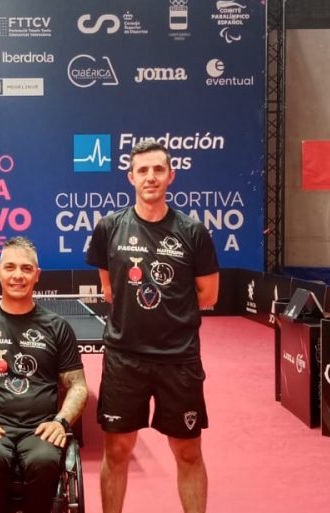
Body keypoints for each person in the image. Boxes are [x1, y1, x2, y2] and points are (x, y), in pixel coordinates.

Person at [86, 140, 220, 513]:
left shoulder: (193, 231)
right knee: (117, 449)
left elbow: (209, 294)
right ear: (130, 177)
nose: (150, 177)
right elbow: (110, 289)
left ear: (170, 176)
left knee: (188, 451)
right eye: (142, 170)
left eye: (158, 169)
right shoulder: (109, 227)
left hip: (179, 360)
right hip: (124, 358)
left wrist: (170, 313)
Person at [0, 236, 88, 513]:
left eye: (26, 268)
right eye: (10, 267)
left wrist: (61, 422)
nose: (18, 275)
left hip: (40, 429)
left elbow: (78, 385)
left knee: (45, 461)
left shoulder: (57, 327)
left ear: (37, 275)